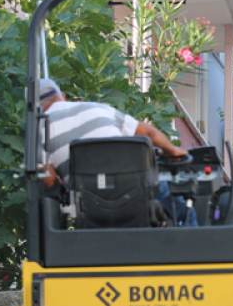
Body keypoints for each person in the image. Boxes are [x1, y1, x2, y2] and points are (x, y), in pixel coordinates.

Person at [37, 78, 195, 225]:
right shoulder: (98, 108)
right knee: (182, 208)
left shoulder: (39, 131)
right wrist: (171, 150)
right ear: (62, 96)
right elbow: (149, 133)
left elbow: (49, 181)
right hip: (137, 194)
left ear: (36, 108)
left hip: (90, 208)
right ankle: (197, 249)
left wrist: (63, 182)